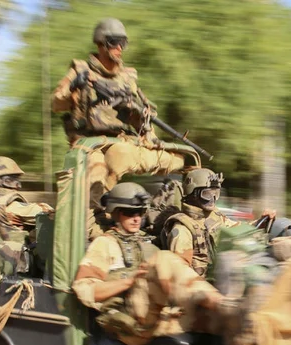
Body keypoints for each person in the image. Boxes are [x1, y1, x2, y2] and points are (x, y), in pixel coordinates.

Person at [51, 18, 192, 239]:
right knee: (98, 173)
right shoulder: (81, 70)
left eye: (123, 43)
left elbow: (141, 120)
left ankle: (183, 217)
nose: (119, 48)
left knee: (180, 159)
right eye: (114, 42)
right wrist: (73, 86)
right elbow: (56, 104)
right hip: (90, 145)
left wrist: (144, 121)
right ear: (100, 44)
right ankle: (93, 230)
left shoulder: (128, 77)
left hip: (123, 141)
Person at [71, 182, 238, 345]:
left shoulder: (146, 240)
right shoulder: (105, 244)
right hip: (129, 321)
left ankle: (233, 310)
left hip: (157, 316)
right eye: (129, 213)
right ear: (116, 212)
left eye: (140, 212)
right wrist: (128, 282)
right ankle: (222, 303)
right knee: (164, 259)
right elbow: (84, 289)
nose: (137, 218)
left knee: (230, 325)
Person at [162, 168, 276, 277]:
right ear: (193, 194)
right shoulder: (183, 229)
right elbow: (180, 274)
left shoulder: (214, 215)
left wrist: (260, 223)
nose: (212, 199)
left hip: (226, 273)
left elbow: (236, 230)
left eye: (216, 193)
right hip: (204, 286)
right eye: (207, 194)